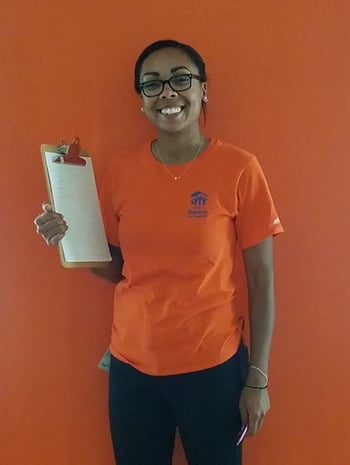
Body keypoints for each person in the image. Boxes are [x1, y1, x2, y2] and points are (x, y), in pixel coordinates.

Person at [34, 39, 283, 465]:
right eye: (152, 84)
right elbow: (120, 268)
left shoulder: (240, 168)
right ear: (141, 102)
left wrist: (257, 378)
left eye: (181, 79)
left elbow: (261, 280)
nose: (167, 93)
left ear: (203, 90)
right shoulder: (120, 169)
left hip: (214, 368)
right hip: (133, 370)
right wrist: (68, 239)